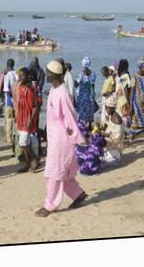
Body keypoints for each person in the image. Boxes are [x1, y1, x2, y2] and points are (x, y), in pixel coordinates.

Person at [35, 61, 87, 217]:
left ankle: (50, 205)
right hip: (53, 137)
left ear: (54, 75)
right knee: (62, 172)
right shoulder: (53, 89)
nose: (45, 74)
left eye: (47, 72)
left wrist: (78, 138)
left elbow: (71, 117)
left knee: (53, 173)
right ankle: (78, 194)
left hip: (61, 139)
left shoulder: (63, 93)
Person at [16, 68, 40, 173]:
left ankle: (35, 158)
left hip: (27, 119)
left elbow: (35, 107)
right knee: (24, 142)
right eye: (19, 76)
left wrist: (30, 121)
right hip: (21, 119)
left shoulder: (31, 89)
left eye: (23, 76)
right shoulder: (20, 87)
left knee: (23, 143)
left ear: (28, 76)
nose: (20, 78)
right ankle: (27, 164)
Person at [129, 57, 144, 130]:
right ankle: (136, 136)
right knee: (137, 122)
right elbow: (132, 92)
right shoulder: (134, 77)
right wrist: (131, 106)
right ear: (140, 68)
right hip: (137, 103)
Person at [101, 95, 124, 165]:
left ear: (113, 108)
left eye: (107, 108)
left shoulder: (117, 119)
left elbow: (117, 138)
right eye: (106, 108)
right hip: (110, 146)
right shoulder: (111, 116)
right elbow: (110, 130)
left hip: (115, 149)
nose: (106, 110)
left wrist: (105, 134)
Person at [75, 56, 97, 128]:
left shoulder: (81, 74)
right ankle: (90, 125)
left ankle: (82, 125)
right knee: (89, 109)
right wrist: (93, 95)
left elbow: (77, 84)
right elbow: (93, 84)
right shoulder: (93, 73)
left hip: (82, 94)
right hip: (89, 93)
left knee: (82, 110)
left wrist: (72, 81)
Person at [2, 59, 18, 144]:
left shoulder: (7, 75)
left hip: (9, 101)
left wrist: (12, 97)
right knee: (17, 120)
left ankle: (9, 139)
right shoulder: (17, 73)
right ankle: (18, 137)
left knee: (9, 120)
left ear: (7, 65)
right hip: (18, 101)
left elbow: (6, 89)